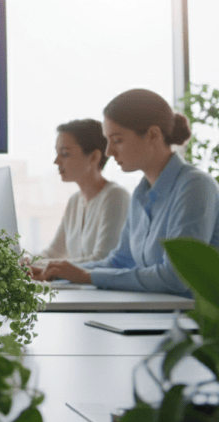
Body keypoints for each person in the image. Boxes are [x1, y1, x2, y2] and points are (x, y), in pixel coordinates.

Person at [32, 89, 219, 297]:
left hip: (188, 324)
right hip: (153, 315)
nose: (109, 152)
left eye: (117, 140)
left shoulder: (195, 186)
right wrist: (61, 272)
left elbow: (177, 277)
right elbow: (120, 261)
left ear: (153, 135)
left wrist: (87, 276)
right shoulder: (141, 193)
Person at [35, 119, 130, 264]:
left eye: (65, 154)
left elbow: (103, 259)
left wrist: (50, 266)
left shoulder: (115, 196)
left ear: (94, 157)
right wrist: (27, 261)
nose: (56, 161)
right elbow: (54, 252)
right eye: (57, 153)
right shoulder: (75, 201)